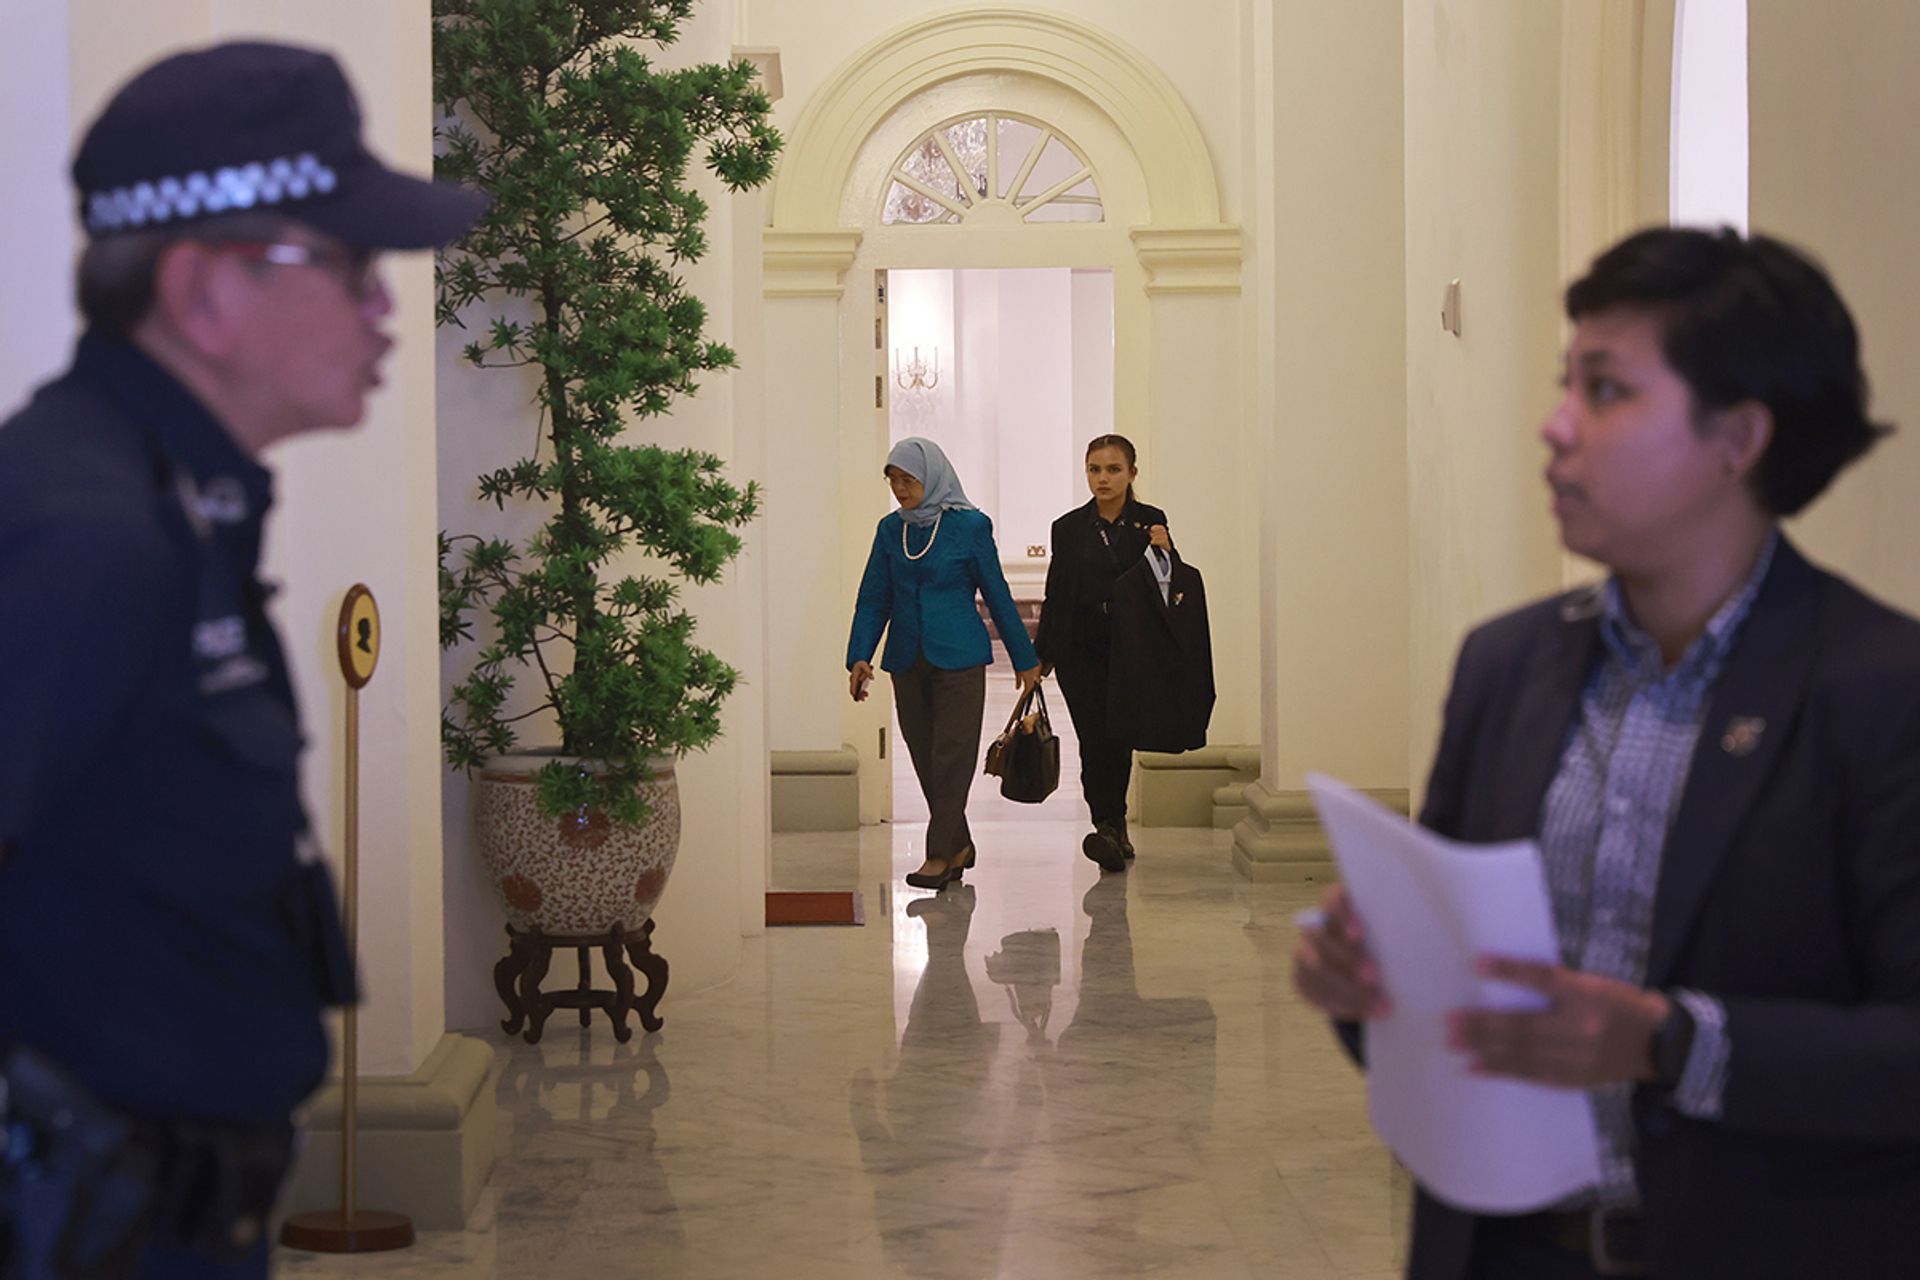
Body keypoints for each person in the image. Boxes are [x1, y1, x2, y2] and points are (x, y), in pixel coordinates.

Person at [1292, 226, 1920, 1279]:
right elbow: (1450, 1017)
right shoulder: (1506, 666)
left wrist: (1671, 1041)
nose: (1554, 426)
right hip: (1505, 1249)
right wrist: (1373, 983)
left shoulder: (1878, 689)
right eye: (1564, 384)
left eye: (1607, 389)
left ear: (1740, 436)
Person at [0, 42, 484, 1278]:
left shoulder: (184, 502)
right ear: (205, 289)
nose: (386, 307)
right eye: (349, 264)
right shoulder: (80, 530)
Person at [848, 438, 1042, 890]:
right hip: (905, 658)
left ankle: (937, 853)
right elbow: (874, 597)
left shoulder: (970, 527)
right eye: (893, 479)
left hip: (959, 657)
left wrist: (1024, 658)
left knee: (952, 756)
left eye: (908, 479)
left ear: (931, 477)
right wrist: (860, 655)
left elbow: (996, 592)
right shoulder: (888, 531)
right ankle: (959, 844)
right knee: (924, 755)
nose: (900, 488)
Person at [1034, 434, 1173, 871]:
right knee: (1094, 737)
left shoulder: (1150, 521)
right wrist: (1042, 655)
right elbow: (1056, 593)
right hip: (1082, 648)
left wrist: (1166, 552)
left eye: (1113, 469)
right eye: (1095, 469)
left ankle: (1114, 823)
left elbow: (1167, 587)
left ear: (1132, 473)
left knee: (1121, 734)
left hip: (1132, 647)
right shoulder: (1069, 527)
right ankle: (1105, 825)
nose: (1103, 478)